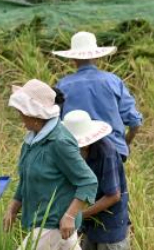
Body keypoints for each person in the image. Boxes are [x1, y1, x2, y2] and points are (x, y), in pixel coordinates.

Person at [4, 80, 98, 250]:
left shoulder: (59, 142)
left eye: (22, 111)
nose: (19, 115)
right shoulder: (32, 141)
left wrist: (69, 216)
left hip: (53, 223)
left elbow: (88, 181)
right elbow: (27, 178)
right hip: (54, 225)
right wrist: (13, 207)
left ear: (35, 114)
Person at [53, 32, 143, 161]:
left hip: (76, 154)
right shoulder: (113, 81)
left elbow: (54, 124)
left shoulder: (63, 85)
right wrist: (125, 144)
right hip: (113, 150)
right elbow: (135, 122)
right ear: (97, 57)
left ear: (73, 59)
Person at [62, 110, 131, 250]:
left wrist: (78, 215)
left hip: (109, 224)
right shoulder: (71, 153)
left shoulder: (105, 152)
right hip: (89, 224)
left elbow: (113, 196)